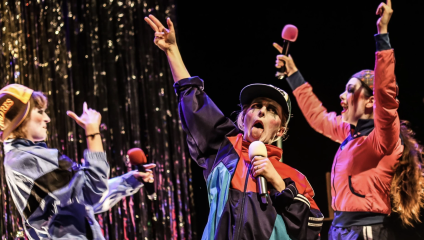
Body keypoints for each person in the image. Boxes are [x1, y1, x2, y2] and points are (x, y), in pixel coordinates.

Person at [145, 15, 324, 240]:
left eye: (272, 111)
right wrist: (171, 50)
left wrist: (279, 184)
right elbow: (194, 103)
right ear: (243, 118)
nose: (261, 112)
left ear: (280, 130)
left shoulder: (295, 179)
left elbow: (312, 228)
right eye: (256, 106)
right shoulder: (224, 148)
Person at [274, 1, 424, 239]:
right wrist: (293, 75)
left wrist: (382, 35)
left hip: (365, 231)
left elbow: (386, 95)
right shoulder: (348, 133)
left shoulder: (383, 139)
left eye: (351, 90)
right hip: (340, 228)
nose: (342, 96)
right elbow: (318, 117)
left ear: (370, 101)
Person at [0, 84, 155, 240]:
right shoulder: (29, 159)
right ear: (20, 120)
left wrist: (129, 180)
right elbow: (92, 191)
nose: (47, 118)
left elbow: (83, 202)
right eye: (40, 112)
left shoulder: (20, 158)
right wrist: (92, 132)